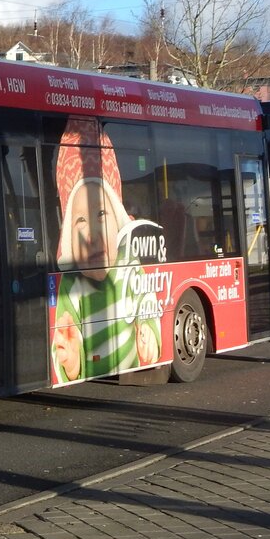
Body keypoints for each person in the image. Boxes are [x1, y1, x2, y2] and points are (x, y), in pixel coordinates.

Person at [51, 119, 161, 383]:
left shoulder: (129, 264)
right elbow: (64, 337)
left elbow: (148, 306)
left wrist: (150, 336)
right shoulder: (72, 283)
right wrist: (71, 362)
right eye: (80, 220)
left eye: (101, 214)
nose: (93, 234)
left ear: (119, 222)